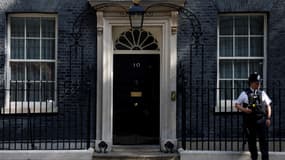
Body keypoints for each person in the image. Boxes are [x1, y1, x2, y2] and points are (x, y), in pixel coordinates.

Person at [235, 72, 272, 160]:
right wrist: (245, 110)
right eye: (257, 83)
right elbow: (236, 104)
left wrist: (268, 118)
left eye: (259, 82)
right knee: (252, 143)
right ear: (251, 83)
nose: (259, 84)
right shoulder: (245, 93)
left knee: (264, 143)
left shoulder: (262, 93)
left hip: (261, 120)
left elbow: (268, 106)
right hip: (250, 122)